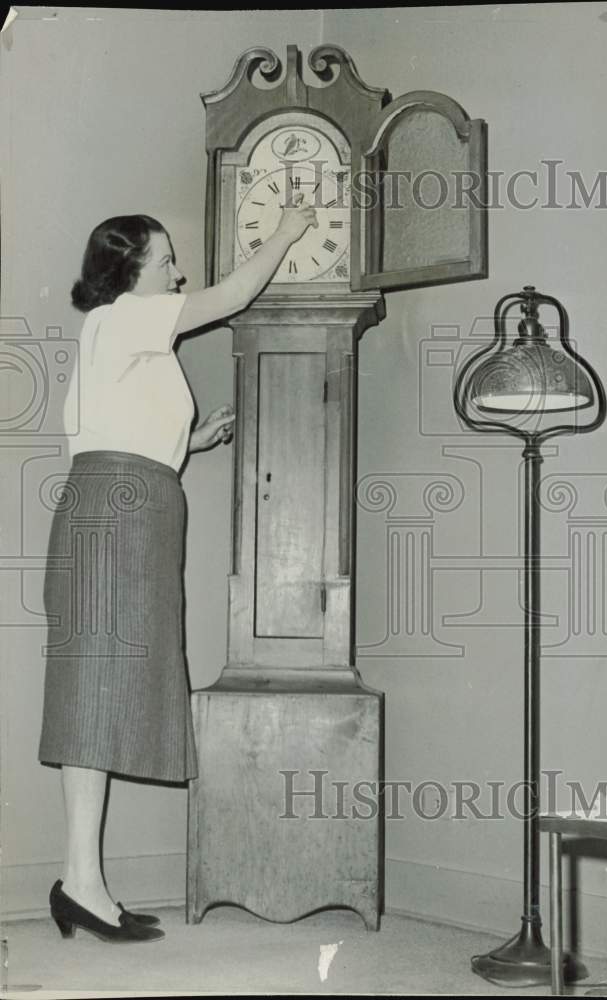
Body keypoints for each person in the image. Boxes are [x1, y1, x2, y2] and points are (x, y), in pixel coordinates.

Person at [38, 200, 318, 943]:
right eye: (166, 261)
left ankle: (81, 882)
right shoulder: (125, 317)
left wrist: (188, 440)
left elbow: (114, 433)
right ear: (130, 270)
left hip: (129, 508)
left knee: (97, 692)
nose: (179, 272)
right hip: (118, 517)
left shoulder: (122, 338)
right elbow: (228, 299)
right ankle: (82, 884)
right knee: (94, 691)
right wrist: (285, 234)